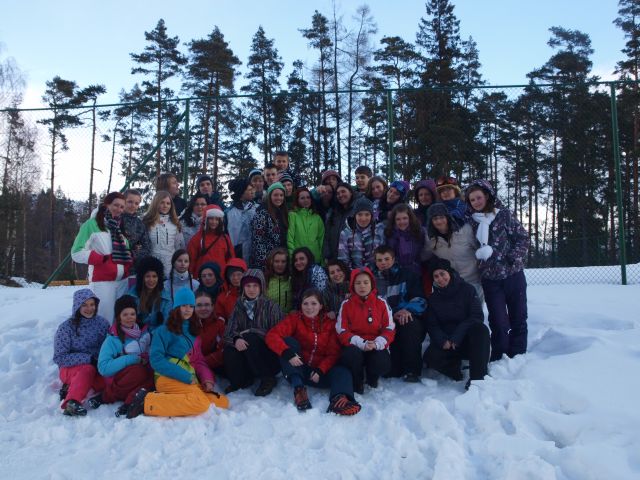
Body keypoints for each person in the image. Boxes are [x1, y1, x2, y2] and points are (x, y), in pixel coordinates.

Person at [126, 288, 229, 418]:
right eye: (184, 305)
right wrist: (185, 376)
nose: (188, 309)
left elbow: (198, 361)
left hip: (188, 378)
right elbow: (156, 360)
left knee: (221, 402)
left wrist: (206, 378)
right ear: (176, 307)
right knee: (201, 403)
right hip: (167, 377)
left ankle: (166, 398)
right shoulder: (163, 331)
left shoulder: (194, 332)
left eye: (191, 306)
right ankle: (146, 402)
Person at [266, 289, 362, 415]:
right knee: (288, 342)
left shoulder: (330, 324)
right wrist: (287, 353)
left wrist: (320, 370)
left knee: (343, 371)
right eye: (305, 303)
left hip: (320, 373)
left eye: (313, 303)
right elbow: (272, 335)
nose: (309, 307)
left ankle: (339, 400)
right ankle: (299, 391)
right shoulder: (295, 318)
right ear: (301, 305)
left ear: (321, 306)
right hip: (298, 369)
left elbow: (333, 353)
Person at [465, 179, 529, 361]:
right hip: (490, 278)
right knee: (498, 319)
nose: (476, 202)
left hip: (512, 274)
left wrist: (510, 257)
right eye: (472, 200)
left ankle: (518, 353)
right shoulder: (471, 221)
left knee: (518, 316)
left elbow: (523, 238)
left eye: (479, 197)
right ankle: (499, 353)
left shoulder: (503, 215)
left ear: (487, 196)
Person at [423, 257, 490, 390]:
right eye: (436, 276)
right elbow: (432, 324)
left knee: (481, 330)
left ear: (449, 272)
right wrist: (443, 340)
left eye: (442, 274)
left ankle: (477, 378)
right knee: (430, 357)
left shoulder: (467, 290)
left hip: (467, 340)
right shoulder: (433, 298)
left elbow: (476, 316)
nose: (440, 278)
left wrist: (457, 337)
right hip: (447, 343)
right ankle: (455, 371)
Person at [71, 192, 133, 322]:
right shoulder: (91, 225)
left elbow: (126, 253)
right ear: (107, 204)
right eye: (115, 205)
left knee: (120, 320)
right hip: (102, 281)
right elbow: (76, 252)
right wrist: (102, 259)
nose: (119, 209)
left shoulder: (119, 227)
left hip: (122, 281)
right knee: (105, 320)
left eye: (122, 207)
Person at [223, 269, 283, 396]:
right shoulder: (238, 306)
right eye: (248, 286)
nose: (251, 289)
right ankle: (240, 381)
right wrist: (236, 339)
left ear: (261, 287)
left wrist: (252, 331)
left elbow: (278, 334)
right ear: (243, 287)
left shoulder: (271, 306)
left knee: (250, 338)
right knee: (230, 349)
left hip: (269, 356)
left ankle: (268, 379)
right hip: (248, 356)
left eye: (255, 286)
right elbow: (228, 333)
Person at [336, 268, 395, 394]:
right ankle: (357, 380)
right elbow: (342, 330)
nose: (362, 286)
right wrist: (361, 343)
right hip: (355, 346)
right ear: (352, 285)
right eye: (358, 283)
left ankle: (372, 377)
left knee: (382, 362)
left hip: (375, 345)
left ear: (372, 284)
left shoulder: (381, 303)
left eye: (365, 282)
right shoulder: (346, 304)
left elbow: (389, 328)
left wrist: (377, 343)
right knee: (351, 355)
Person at [372, 246, 426, 382]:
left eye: (386, 259)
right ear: (375, 261)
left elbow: (420, 299)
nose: (383, 263)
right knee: (392, 371)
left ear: (393, 259)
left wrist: (407, 310)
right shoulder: (371, 280)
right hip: (383, 321)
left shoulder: (407, 275)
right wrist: (391, 315)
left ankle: (412, 370)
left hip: (404, 317)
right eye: (379, 260)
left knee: (409, 322)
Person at [53, 289, 109, 416]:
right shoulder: (66, 328)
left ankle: (73, 387)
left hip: (97, 366)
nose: (89, 308)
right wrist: (88, 359)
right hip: (71, 369)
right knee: (87, 370)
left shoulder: (102, 323)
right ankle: (72, 402)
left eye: (92, 304)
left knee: (110, 376)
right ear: (77, 306)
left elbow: (108, 346)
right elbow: (59, 357)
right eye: (84, 305)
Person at [97, 295, 154, 417]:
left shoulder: (144, 332)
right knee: (139, 371)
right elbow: (103, 368)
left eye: (132, 314)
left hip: (141, 377)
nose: (130, 318)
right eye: (125, 314)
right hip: (121, 379)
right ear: (119, 317)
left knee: (154, 376)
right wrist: (132, 359)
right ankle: (106, 396)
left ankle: (130, 402)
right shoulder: (113, 339)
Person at [426, 202, 483, 302]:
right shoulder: (431, 240)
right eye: (435, 219)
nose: (439, 221)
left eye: (441, 217)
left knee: (475, 311)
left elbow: (479, 250)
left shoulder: (465, 230)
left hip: (473, 281)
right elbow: (425, 256)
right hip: (452, 284)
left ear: (447, 217)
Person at [143, 190, 185, 278]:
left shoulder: (175, 223)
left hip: (170, 265)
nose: (165, 206)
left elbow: (179, 246)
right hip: (151, 265)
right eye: (162, 202)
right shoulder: (146, 221)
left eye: (168, 203)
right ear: (156, 203)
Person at [337, 196, 385, 270]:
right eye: (359, 214)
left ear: (371, 216)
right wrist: (353, 273)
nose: (363, 218)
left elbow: (384, 255)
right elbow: (343, 259)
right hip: (355, 274)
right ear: (355, 215)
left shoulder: (379, 231)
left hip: (376, 273)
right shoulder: (346, 233)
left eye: (367, 214)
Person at [188, 204, 235, 276]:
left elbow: (231, 259)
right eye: (211, 218)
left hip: (221, 278)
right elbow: (191, 260)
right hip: (202, 278)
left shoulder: (225, 238)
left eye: (217, 219)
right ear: (206, 219)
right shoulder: (197, 238)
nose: (214, 222)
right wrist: (191, 276)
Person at [250, 182, 288, 270]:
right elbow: (258, 241)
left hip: (281, 260)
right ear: (269, 196)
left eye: (281, 195)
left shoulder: (282, 212)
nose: (279, 198)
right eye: (275, 195)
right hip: (268, 261)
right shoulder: (262, 213)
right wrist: (265, 265)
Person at [128, 256, 172, 331]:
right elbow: (126, 322)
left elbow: (167, 324)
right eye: (147, 276)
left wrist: (152, 334)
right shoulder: (131, 296)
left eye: (154, 276)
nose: (151, 280)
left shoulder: (166, 299)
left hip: (158, 335)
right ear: (142, 278)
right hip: (136, 334)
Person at [384, 203, 427, 276]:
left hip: (415, 271)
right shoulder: (390, 233)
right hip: (396, 272)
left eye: (405, 218)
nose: (402, 222)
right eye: (398, 219)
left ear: (410, 218)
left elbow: (424, 250)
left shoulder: (419, 231)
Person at [287, 187, 325, 263]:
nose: (306, 200)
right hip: (298, 261)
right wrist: (292, 258)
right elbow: (289, 239)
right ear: (297, 200)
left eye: (308, 197)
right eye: (302, 198)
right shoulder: (292, 215)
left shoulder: (317, 217)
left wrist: (323, 260)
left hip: (315, 260)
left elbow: (322, 240)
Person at [121, 189, 151, 281]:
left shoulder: (140, 224)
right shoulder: (113, 219)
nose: (133, 205)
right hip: (111, 270)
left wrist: (133, 254)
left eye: (136, 203)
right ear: (123, 201)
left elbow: (147, 248)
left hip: (132, 272)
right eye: (130, 202)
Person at [323, 182, 356, 262]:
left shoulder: (356, 211)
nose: (340, 195)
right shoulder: (333, 213)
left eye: (343, 191)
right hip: (334, 258)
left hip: (353, 258)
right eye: (338, 193)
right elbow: (327, 235)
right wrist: (327, 254)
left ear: (351, 193)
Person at [225, 178, 257, 261]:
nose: (252, 191)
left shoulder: (257, 208)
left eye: (252, 189)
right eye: (249, 190)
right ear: (241, 193)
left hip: (255, 253)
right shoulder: (229, 213)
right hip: (237, 255)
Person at [194, 290, 225, 373]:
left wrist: (204, 362)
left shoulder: (219, 323)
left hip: (212, 365)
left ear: (212, 306)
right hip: (190, 365)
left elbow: (224, 349)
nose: (203, 308)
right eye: (199, 305)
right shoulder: (187, 324)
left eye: (207, 305)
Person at [214, 258, 248, 323]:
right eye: (232, 275)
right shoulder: (223, 298)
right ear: (227, 277)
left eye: (239, 275)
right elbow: (220, 318)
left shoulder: (252, 293)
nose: (235, 278)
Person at [264, 247, 293, 314]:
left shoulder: (292, 280)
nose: (280, 264)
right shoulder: (265, 280)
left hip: (288, 318)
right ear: (271, 262)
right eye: (276, 261)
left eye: (283, 261)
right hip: (270, 317)